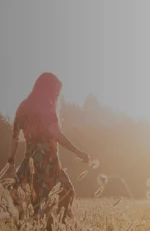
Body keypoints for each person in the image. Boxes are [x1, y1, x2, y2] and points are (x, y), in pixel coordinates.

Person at [7, 72, 90, 219]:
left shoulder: (23, 107)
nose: (57, 96)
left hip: (30, 162)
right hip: (48, 163)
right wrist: (78, 152)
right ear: (49, 89)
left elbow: (14, 137)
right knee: (66, 193)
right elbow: (56, 134)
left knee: (36, 201)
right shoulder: (46, 105)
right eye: (56, 92)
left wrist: (11, 161)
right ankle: (55, 229)